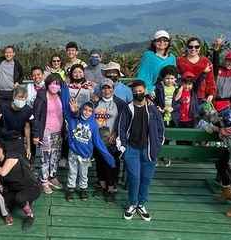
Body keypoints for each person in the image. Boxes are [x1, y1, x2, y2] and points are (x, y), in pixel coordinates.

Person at [117, 80, 165, 222]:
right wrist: (123, 148)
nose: (138, 93)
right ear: (132, 92)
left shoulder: (152, 109)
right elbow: (121, 128)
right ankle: (132, 203)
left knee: (146, 179)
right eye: (135, 91)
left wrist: (158, 144)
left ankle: (141, 204)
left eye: (140, 90)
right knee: (134, 177)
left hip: (149, 150)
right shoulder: (128, 108)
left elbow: (161, 128)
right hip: (132, 148)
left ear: (144, 90)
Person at [62, 96, 116, 202]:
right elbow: (67, 110)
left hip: (85, 154)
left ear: (92, 113)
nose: (87, 112)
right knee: (72, 172)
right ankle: (71, 189)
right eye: (85, 109)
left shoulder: (94, 125)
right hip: (73, 151)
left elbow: (98, 142)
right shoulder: (73, 119)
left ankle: (83, 189)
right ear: (81, 109)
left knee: (84, 173)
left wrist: (109, 157)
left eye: (90, 111)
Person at [0, 140, 42, 231]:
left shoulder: (12, 156)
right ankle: (23, 203)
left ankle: (30, 215)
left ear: (1, 148)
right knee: (0, 209)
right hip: (15, 190)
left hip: (32, 187)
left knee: (20, 198)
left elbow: (3, 172)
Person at [93, 79, 128, 202]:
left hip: (112, 139)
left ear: (113, 89)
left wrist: (116, 133)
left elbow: (124, 121)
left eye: (109, 88)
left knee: (112, 163)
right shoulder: (96, 103)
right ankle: (102, 184)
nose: (107, 90)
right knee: (100, 161)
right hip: (98, 138)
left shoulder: (120, 103)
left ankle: (111, 187)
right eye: (104, 88)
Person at [31, 73, 65, 194]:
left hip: (58, 131)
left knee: (55, 156)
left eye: (57, 83)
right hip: (45, 132)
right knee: (45, 157)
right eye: (52, 83)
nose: (54, 86)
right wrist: (35, 134)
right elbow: (36, 117)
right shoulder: (41, 96)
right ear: (47, 84)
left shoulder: (61, 95)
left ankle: (52, 176)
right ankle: (44, 180)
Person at [0, 86, 34, 161]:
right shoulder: (3, 107)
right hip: (3, 139)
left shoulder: (27, 110)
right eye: (20, 97)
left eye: (24, 98)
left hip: (17, 139)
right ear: (14, 97)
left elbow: (27, 128)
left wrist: (28, 147)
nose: (22, 100)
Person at [136, 30, 177, 95]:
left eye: (165, 40)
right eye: (159, 40)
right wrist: (148, 91)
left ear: (169, 42)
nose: (162, 42)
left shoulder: (172, 58)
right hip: (152, 92)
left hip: (168, 93)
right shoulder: (148, 56)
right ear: (154, 42)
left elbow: (174, 76)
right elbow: (142, 75)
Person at [176, 37, 216, 103]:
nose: (193, 49)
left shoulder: (206, 62)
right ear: (187, 47)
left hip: (200, 96)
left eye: (196, 47)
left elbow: (210, 80)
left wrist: (211, 93)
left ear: (200, 48)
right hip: (183, 94)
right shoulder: (180, 61)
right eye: (190, 47)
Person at [210, 38, 231, 111]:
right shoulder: (218, 70)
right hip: (213, 101)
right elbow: (215, 62)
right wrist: (216, 50)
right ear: (225, 60)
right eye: (229, 61)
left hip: (228, 103)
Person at [0, 45, 24, 109]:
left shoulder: (17, 64)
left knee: (11, 112)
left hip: (12, 93)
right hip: (0, 93)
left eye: (10, 52)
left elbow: (22, 75)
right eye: (6, 52)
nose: (8, 54)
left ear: (14, 54)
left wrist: (18, 82)